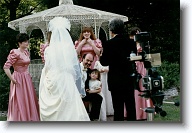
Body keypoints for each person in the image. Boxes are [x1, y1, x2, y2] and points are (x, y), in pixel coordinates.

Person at [38, 17, 90, 121]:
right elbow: (74, 65)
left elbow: (48, 66)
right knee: (70, 104)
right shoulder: (68, 47)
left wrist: (45, 76)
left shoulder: (48, 49)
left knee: (54, 103)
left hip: (53, 78)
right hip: (66, 77)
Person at [100, 18, 137, 121]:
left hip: (115, 79)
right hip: (129, 78)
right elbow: (134, 59)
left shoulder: (108, 44)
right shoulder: (131, 43)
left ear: (111, 30)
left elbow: (104, 62)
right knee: (130, 107)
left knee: (118, 109)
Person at [3, 33, 39, 121]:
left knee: (28, 97)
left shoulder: (26, 52)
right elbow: (6, 67)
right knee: (19, 99)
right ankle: (19, 118)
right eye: (25, 41)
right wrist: (12, 79)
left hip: (26, 78)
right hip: (18, 78)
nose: (27, 43)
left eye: (27, 41)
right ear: (19, 43)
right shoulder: (15, 52)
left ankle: (29, 117)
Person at [128, 27, 154, 120]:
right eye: (135, 33)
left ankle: (144, 110)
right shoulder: (130, 43)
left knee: (143, 84)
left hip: (142, 65)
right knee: (135, 85)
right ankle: (136, 111)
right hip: (134, 65)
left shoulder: (143, 43)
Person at [80, 53, 103, 121]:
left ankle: (92, 118)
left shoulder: (89, 71)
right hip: (75, 93)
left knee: (98, 98)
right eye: (87, 60)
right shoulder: (76, 68)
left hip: (86, 92)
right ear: (82, 59)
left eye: (91, 61)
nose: (89, 62)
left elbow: (96, 78)